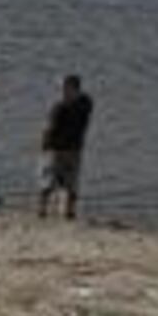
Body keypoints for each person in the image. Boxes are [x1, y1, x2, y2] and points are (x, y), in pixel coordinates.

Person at [38, 75, 94, 220]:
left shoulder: (60, 107)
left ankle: (43, 210)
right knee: (71, 181)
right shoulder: (86, 104)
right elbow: (87, 101)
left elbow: (49, 128)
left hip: (57, 149)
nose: (62, 90)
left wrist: (43, 145)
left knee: (49, 179)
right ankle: (68, 212)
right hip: (75, 148)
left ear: (70, 88)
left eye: (64, 87)